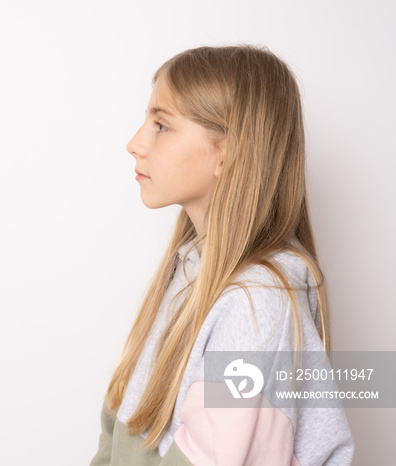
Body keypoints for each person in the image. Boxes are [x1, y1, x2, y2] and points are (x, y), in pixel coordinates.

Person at [89, 45, 355, 465]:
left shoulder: (257, 304)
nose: (134, 144)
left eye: (161, 125)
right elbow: (118, 429)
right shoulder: (189, 269)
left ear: (227, 151)